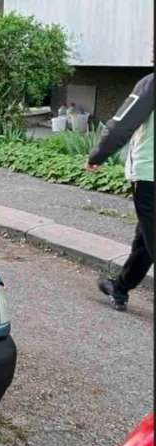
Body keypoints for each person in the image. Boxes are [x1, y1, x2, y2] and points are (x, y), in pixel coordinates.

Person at [85, 69, 154, 311]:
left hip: (150, 176)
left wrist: (98, 155)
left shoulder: (151, 83)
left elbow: (122, 125)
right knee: (146, 238)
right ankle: (121, 288)